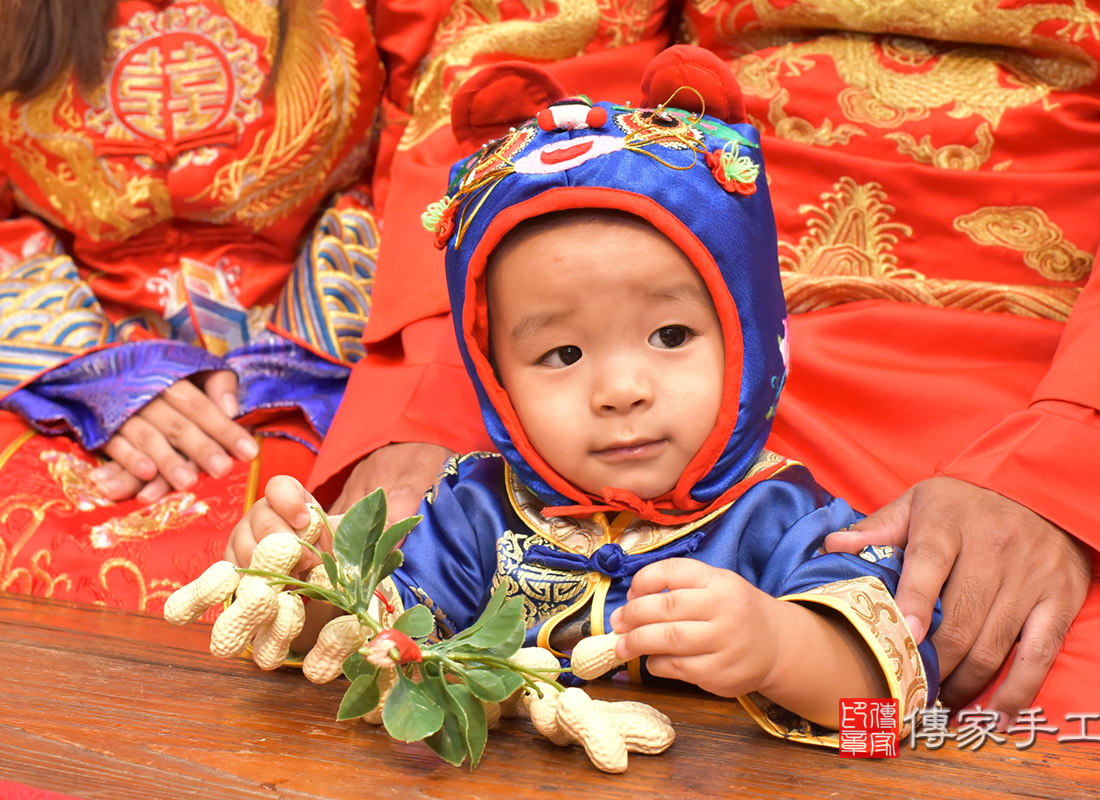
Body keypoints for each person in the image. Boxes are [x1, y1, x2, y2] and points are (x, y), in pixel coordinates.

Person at [307, 2, 1100, 767]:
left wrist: (1082, 459)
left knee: (1086, 723)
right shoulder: (609, 384)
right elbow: (536, 64)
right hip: (670, 314)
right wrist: (449, 391)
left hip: (1071, 352)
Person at [229, 51, 942, 744]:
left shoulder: (786, 518)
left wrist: (783, 649)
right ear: (495, 378)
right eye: (562, 354)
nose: (621, 391)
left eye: (669, 335)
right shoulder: (474, 514)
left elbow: (893, 710)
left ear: (749, 339)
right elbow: (380, 643)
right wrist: (315, 585)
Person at [0, 0, 457, 612]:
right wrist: (87, 360)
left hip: (346, 348)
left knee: (310, 580)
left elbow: (456, 143)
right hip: (45, 360)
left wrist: (420, 405)